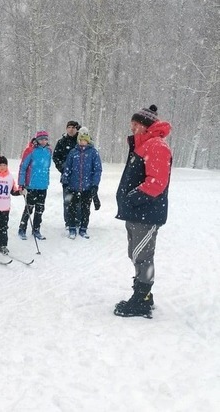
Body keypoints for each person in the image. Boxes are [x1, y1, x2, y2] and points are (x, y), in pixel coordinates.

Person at [114, 105, 172, 318]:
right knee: (136, 254)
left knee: (143, 256)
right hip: (137, 212)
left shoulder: (156, 146)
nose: (133, 127)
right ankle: (143, 294)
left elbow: (156, 183)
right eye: (132, 123)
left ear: (146, 125)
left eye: (136, 124)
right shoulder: (144, 145)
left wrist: (132, 198)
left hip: (146, 213)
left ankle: (142, 299)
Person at [60, 127, 102, 239]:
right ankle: (72, 228)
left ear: (88, 140)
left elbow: (97, 170)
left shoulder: (93, 153)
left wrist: (95, 184)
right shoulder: (73, 153)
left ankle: (83, 228)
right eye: (81, 140)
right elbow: (67, 168)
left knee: (85, 209)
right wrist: (65, 181)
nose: (82, 142)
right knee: (72, 208)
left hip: (87, 187)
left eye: (85, 140)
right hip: (73, 186)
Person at [17, 130, 52, 241]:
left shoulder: (49, 151)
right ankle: (22, 228)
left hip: (43, 185)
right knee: (29, 208)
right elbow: (23, 167)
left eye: (45, 139)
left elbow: (47, 167)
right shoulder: (30, 150)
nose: (43, 141)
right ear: (37, 139)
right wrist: (21, 184)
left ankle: (36, 229)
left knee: (40, 208)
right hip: (31, 185)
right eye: (41, 139)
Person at [52, 120, 80, 229]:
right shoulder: (61, 142)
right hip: (66, 177)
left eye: (73, 127)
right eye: (69, 127)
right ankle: (68, 223)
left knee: (79, 201)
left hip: (80, 177)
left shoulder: (81, 141)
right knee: (68, 201)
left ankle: (78, 222)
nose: (71, 129)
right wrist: (63, 168)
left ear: (77, 129)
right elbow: (56, 157)